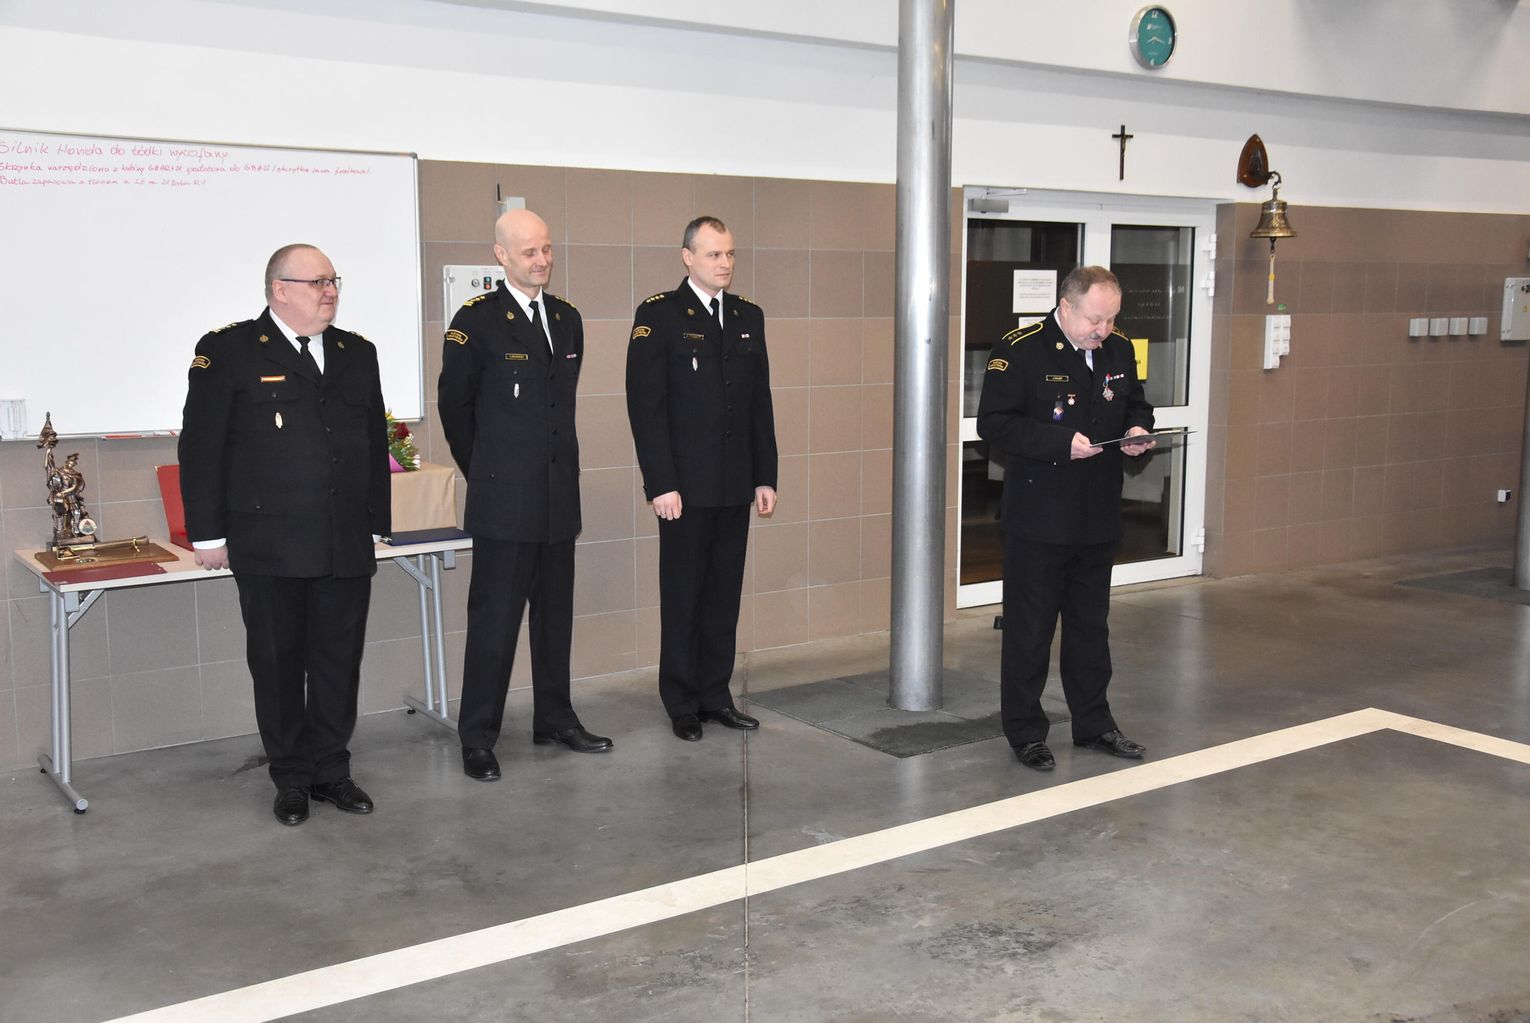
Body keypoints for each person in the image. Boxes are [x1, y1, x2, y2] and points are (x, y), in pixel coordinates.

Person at [179, 244, 390, 825]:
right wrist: (207, 535)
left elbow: (371, 440)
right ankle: (291, 776)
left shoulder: (356, 352)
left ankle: (332, 771)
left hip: (342, 538)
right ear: (280, 290)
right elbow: (201, 447)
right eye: (318, 281)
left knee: (338, 662)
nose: (331, 291)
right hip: (268, 542)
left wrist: (377, 523)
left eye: (333, 280)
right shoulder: (229, 351)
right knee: (277, 665)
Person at [438, 209, 612, 782]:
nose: (542, 260)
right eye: (529, 251)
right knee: (494, 624)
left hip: (558, 497)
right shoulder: (475, 322)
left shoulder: (566, 318)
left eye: (547, 249)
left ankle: (555, 718)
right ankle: (478, 737)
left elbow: (561, 407)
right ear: (501, 256)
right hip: (504, 502)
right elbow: (455, 409)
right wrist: (488, 472)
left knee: (554, 618)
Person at [976, 265, 1156, 772]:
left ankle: (1095, 724)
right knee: (1030, 632)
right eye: (1095, 319)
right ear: (1066, 306)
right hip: (1039, 516)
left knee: (1090, 629)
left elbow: (1135, 404)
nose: (1103, 330)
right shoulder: (1020, 349)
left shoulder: (1118, 349)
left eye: (1111, 319)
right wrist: (1059, 443)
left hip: (1097, 513)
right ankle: (1026, 732)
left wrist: (1138, 430)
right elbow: (994, 423)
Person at [625, 216, 778, 741]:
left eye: (730, 254)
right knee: (684, 596)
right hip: (684, 490)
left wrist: (765, 475)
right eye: (714, 254)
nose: (725, 263)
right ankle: (682, 701)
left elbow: (759, 403)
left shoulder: (747, 316)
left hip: (734, 484)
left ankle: (715, 694)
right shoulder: (659, 315)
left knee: (722, 596)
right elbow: (646, 407)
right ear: (688, 257)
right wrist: (660, 483)